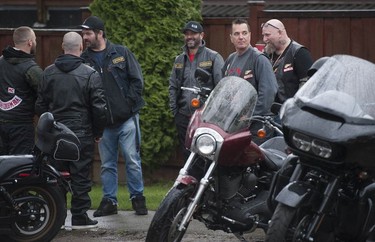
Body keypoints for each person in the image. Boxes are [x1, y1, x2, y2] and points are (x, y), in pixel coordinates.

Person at [35, 31, 107, 229]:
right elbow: (99, 108)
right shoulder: (90, 74)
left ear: (62, 47)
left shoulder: (48, 73)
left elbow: (40, 106)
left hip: (55, 132)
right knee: (80, 174)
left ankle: (56, 217)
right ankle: (79, 216)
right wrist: (98, 132)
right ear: (81, 48)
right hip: (81, 131)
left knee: (55, 174)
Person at [80, 16, 148, 217]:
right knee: (107, 165)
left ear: (100, 33)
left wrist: (128, 105)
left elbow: (137, 81)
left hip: (126, 119)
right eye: (84, 34)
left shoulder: (121, 52)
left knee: (132, 160)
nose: (85, 37)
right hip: (103, 125)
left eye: (88, 33)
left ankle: (138, 199)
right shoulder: (84, 60)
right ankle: (109, 201)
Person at [169, 21, 224, 159]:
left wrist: (214, 114)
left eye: (193, 33)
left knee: (204, 154)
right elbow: (173, 86)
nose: (189, 37)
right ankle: (190, 180)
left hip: (204, 118)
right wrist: (175, 111)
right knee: (187, 153)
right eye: (187, 34)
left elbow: (221, 88)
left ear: (202, 35)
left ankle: (204, 181)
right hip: (183, 116)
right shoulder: (179, 60)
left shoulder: (213, 57)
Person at [222, 18, 278, 145]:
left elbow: (268, 93)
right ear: (231, 38)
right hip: (235, 125)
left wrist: (250, 117)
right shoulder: (230, 59)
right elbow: (224, 90)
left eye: (244, 33)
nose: (241, 37)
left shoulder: (259, 59)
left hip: (257, 126)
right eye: (236, 34)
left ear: (250, 35)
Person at [0, 26, 43, 155]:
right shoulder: (31, 69)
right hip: (22, 127)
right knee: (20, 168)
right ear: (30, 42)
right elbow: (46, 92)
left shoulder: (0, 62)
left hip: (1, 124)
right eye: (34, 39)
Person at [261, 19, 313, 104]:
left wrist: (295, 107)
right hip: (269, 111)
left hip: (290, 111)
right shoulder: (267, 54)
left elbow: (308, 86)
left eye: (267, 35)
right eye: (263, 35)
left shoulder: (299, 53)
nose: (264, 39)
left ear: (280, 33)